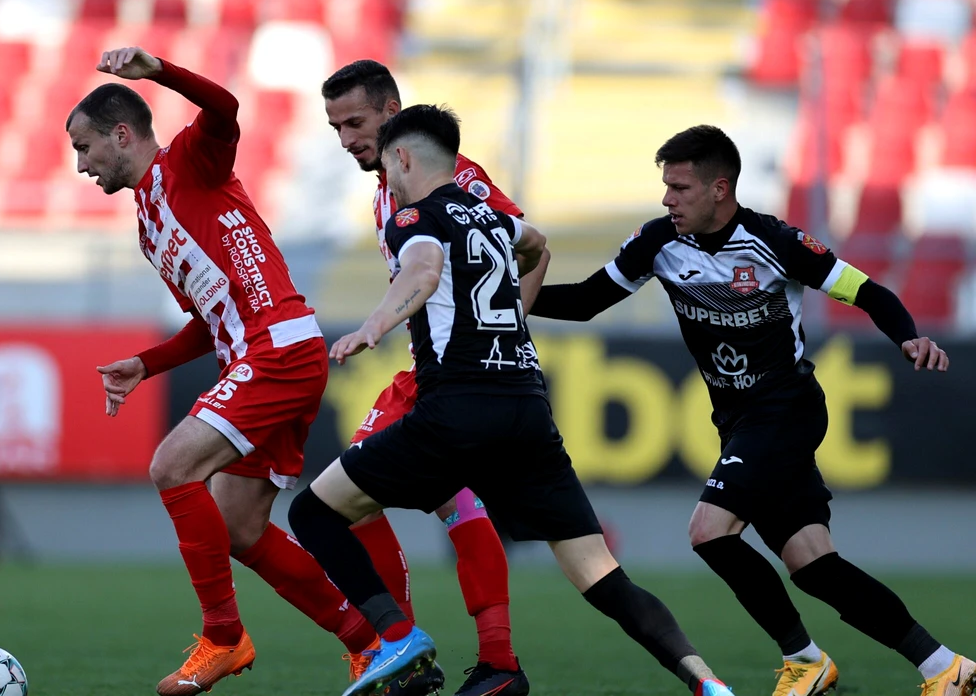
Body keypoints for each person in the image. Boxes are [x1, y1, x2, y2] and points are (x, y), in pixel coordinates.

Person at [287, 104, 733, 696]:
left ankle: (397, 638)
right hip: (527, 408)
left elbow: (420, 272)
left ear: (402, 158)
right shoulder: (493, 218)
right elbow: (538, 244)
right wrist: (511, 313)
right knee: (602, 576)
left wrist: (374, 325)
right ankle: (707, 683)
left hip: (456, 410)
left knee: (312, 512)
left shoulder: (411, 216)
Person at [530, 124, 972, 696]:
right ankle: (944, 666)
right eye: (665, 187)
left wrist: (907, 337)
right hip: (737, 421)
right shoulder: (657, 242)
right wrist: (506, 296)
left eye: (680, 188)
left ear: (720, 188)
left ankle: (804, 661)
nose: (668, 199)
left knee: (709, 533)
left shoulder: (775, 241)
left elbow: (867, 291)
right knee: (814, 564)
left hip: (785, 408)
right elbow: (589, 301)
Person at [69, 46, 383, 696]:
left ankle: (223, 636)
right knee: (239, 528)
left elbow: (227, 107)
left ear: (121, 133)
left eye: (84, 146)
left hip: (279, 349)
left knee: (170, 466)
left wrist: (159, 71)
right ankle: (370, 644)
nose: (80, 164)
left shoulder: (190, 160)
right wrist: (145, 364)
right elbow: (208, 325)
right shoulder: (150, 226)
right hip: (267, 355)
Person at [321, 59, 545, 696]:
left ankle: (403, 649)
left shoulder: (454, 180)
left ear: (392, 113)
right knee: (450, 500)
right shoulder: (391, 184)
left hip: (449, 371)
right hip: (440, 368)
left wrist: (497, 333)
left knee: (342, 497)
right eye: (335, 127)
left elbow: (520, 247)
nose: (345, 140)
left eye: (356, 123)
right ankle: (493, 663)